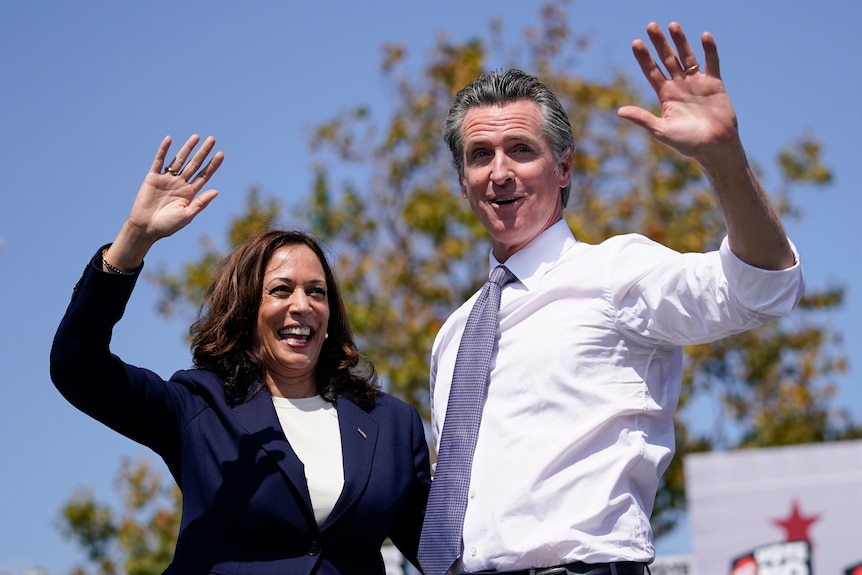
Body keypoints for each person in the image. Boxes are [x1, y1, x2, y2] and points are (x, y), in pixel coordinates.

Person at [418, 22, 804, 575]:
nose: (499, 172)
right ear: (463, 182)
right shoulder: (454, 333)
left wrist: (725, 160)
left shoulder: (615, 272)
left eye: (521, 150)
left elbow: (764, 287)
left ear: (565, 167)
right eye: (480, 155)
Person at [50, 134, 430, 575]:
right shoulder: (197, 407)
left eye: (317, 292)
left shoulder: (391, 423)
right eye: (281, 290)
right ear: (247, 310)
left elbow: (441, 550)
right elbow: (77, 365)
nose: (302, 306)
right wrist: (134, 239)